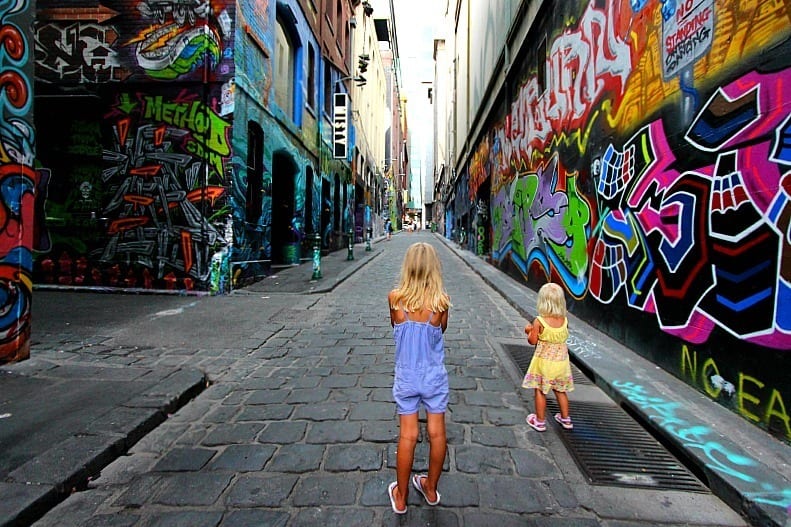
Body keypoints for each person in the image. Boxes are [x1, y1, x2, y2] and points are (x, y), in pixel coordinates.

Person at [387, 242, 451, 514]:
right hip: (434, 376)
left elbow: (395, 326)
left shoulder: (395, 299)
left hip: (407, 377)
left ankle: (401, 497)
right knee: (437, 434)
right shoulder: (441, 304)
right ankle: (431, 488)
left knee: (408, 435)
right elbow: (442, 331)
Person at [522, 282, 574, 432]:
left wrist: (529, 330)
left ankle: (539, 421)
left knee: (540, 391)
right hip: (561, 364)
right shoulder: (564, 320)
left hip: (544, 364)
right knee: (560, 391)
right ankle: (566, 419)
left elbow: (532, 341)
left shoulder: (539, 321)